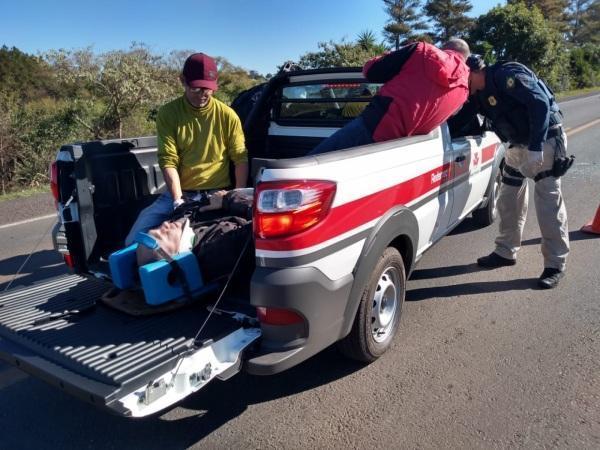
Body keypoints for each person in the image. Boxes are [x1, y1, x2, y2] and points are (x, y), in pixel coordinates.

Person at [466, 54, 571, 289]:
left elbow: (540, 103)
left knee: (547, 203)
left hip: (544, 142)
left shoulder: (507, 76)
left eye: (464, 79)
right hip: (517, 144)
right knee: (508, 198)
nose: (463, 87)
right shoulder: (478, 93)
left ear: (474, 72)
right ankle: (505, 251)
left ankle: (555, 264)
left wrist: (535, 149)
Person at [125, 52, 248, 245]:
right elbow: (168, 159)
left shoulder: (228, 116)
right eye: (196, 89)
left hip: (217, 193)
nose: (202, 95)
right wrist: (177, 200)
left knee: (203, 243)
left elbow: (240, 157)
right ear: (182, 80)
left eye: (207, 90)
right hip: (182, 193)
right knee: (133, 241)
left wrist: (236, 196)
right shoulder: (169, 113)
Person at [308, 38, 471, 155]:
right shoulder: (464, 91)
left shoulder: (422, 50)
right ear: (466, 57)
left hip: (372, 128)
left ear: (444, 48)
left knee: (310, 167)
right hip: (402, 149)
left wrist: (385, 57)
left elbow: (371, 72)